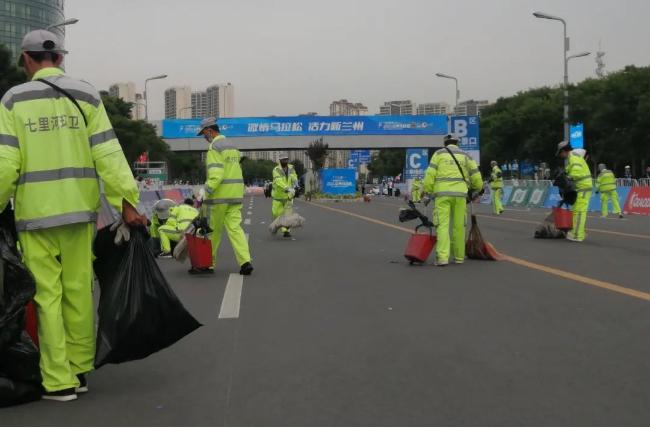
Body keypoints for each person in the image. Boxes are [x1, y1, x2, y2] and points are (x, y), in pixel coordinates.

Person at [0, 30, 145, 402]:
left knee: (47, 295)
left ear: (26, 60)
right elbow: (109, 155)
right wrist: (127, 200)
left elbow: (6, 163)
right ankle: (80, 369)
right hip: (81, 213)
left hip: (35, 216)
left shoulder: (13, 101)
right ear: (60, 59)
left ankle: (58, 379)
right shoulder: (86, 94)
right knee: (79, 288)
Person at [197, 117, 253, 275]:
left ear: (210, 131)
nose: (204, 137)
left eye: (204, 134)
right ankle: (245, 261)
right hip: (235, 194)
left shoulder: (214, 147)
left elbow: (216, 174)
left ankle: (208, 264)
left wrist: (204, 191)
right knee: (235, 228)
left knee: (213, 231)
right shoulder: (232, 145)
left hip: (219, 197)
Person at [423, 135, 483, 266]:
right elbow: (476, 175)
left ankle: (443, 258)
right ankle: (459, 257)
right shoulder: (465, 155)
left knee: (443, 225)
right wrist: (478, 188)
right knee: (459, 226)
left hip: (442, 195)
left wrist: (427, 190)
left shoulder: (438, 154)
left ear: (445, 143)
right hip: (461, 195)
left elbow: (430, 174)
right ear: (457, 143)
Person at [557, 141, 593, 242]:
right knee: (577, 211)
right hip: (581, 188)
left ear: (564, 151)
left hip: (583, 187)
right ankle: (577, 232)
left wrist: (567, 177)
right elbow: (571, 169)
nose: (561, 156)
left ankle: (578, 235)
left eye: (560, 153)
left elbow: (576, 172)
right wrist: (565, 172)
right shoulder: (573, 157)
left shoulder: (573, 157)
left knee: (580, 212)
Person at [271, 153, 298, 238]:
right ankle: (276, 225)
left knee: (288, 215)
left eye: (286, 159)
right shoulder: (276, 170)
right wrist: (287, 188)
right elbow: (278, 181)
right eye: (283, 160)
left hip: (288, 196)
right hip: (278, 197)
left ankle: (286, 231)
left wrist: (296, 183)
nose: (285, 161)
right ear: (280, 160)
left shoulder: (291, 168)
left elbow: (294, 176)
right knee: (276, 214)